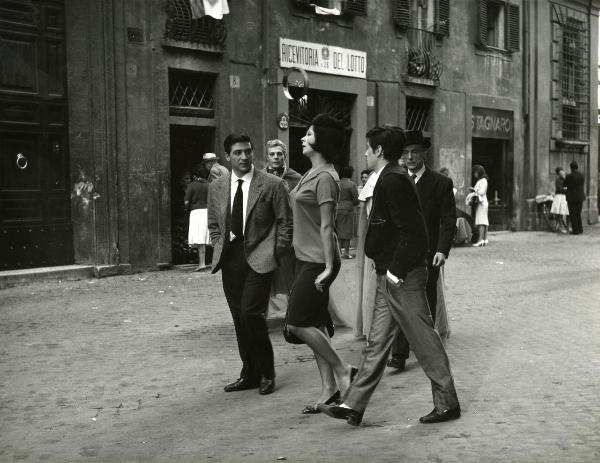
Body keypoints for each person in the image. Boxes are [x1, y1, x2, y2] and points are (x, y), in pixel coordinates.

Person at [318, 125, 460, 426]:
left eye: (368, 148)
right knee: (377, 343)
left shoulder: (393, 181)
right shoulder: (389, 178)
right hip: (390, 276)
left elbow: (415, 233)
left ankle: (447, 403)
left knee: (424, 341)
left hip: (403, 278)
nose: (365, 153)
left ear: (380, 151)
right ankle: (353, 405)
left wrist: (395, 273)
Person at [207, 133, 293, 395]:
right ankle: (249, 373)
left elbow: (285, 223)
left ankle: (267, 371)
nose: (244, 157)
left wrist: (275, 252)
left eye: (248, 151)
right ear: (227, 157)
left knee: (250, 314)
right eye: (238, 153)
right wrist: (218, 242)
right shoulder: (218, 186)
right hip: (230, 258)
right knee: (238, 318)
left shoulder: (272, 184)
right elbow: (213, 223)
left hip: (260, 258)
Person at [286, 114, 357, 414]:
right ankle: (329, 390)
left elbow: (328, 227)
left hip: (318, 261)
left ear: (322, 141)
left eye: (309, 134)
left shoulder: (327, 178)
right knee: (314, 323)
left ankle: (344, 370)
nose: (303, 137)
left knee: (296, 323)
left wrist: (329, 269)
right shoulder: (311, 173)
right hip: (306, 258)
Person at [387, 130, 456, 371]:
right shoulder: (395, 180)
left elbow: (448, 220)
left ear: (424, 153)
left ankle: (429, 351)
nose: (410, 157)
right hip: (400, 253)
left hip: (428, 256)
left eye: (415, 152)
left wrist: (442, 250)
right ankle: (399, 354)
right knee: (399, 300)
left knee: (425, 304)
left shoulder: (441, 183)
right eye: (405, 153)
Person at [263, 139, 301, 314]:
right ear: (267, 156)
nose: (276, 157)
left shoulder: (297, 179)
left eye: (279, 154)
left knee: (290, 274)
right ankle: (263, 313)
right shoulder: (260, 177)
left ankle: (294, 313)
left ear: (285, 155)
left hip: (290, 236)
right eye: (272, 154)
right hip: (266, 235)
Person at [184, 164, 211, 271]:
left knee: (200, 240)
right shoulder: (209, 185)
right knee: (208, 237)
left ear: (195, 175)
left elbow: (186, 201)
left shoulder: (192, 185)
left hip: (196, 213)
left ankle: (202, 263)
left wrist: (187, 208)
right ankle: (215, 262)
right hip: (208, 212)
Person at [336, 165, 359, 259]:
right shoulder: (352, 184)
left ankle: (338, 252)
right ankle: (346, 252)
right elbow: (356, 199)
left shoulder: (337, 183)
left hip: (337, 208)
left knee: (338, 231)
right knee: (347, 232)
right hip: (348, 209)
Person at [468, 164, 489, 247]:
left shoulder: (483, 181)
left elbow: (482, 192)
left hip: (482, 202)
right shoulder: (481, 181)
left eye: (475, 172)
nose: (474, 174)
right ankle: (484, 239)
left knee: (481, 221)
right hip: (481, 202)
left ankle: (481, 239)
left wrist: (474, 190)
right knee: (483, 221)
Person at [564, 161, 585, 235]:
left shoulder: (569, 176)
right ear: (577, 167)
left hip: (572, 198)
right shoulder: (582, 175)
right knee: (578, 214)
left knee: (573, 214)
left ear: (571, 168)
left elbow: (565, 184)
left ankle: (575, 230)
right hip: (580, 197)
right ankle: (580, 229)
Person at [550, 167, 569, 234]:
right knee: (559, 213)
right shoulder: (558, 180)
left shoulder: (565, 179)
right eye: (561, 173)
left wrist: (566, 188)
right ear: (559, 174)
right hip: (559, 197)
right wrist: (566, 189)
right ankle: (560, 227)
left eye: (563, 172)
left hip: (563, 197)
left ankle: (561, 226)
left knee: (562, 213)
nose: (563, 173)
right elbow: (560, 189)